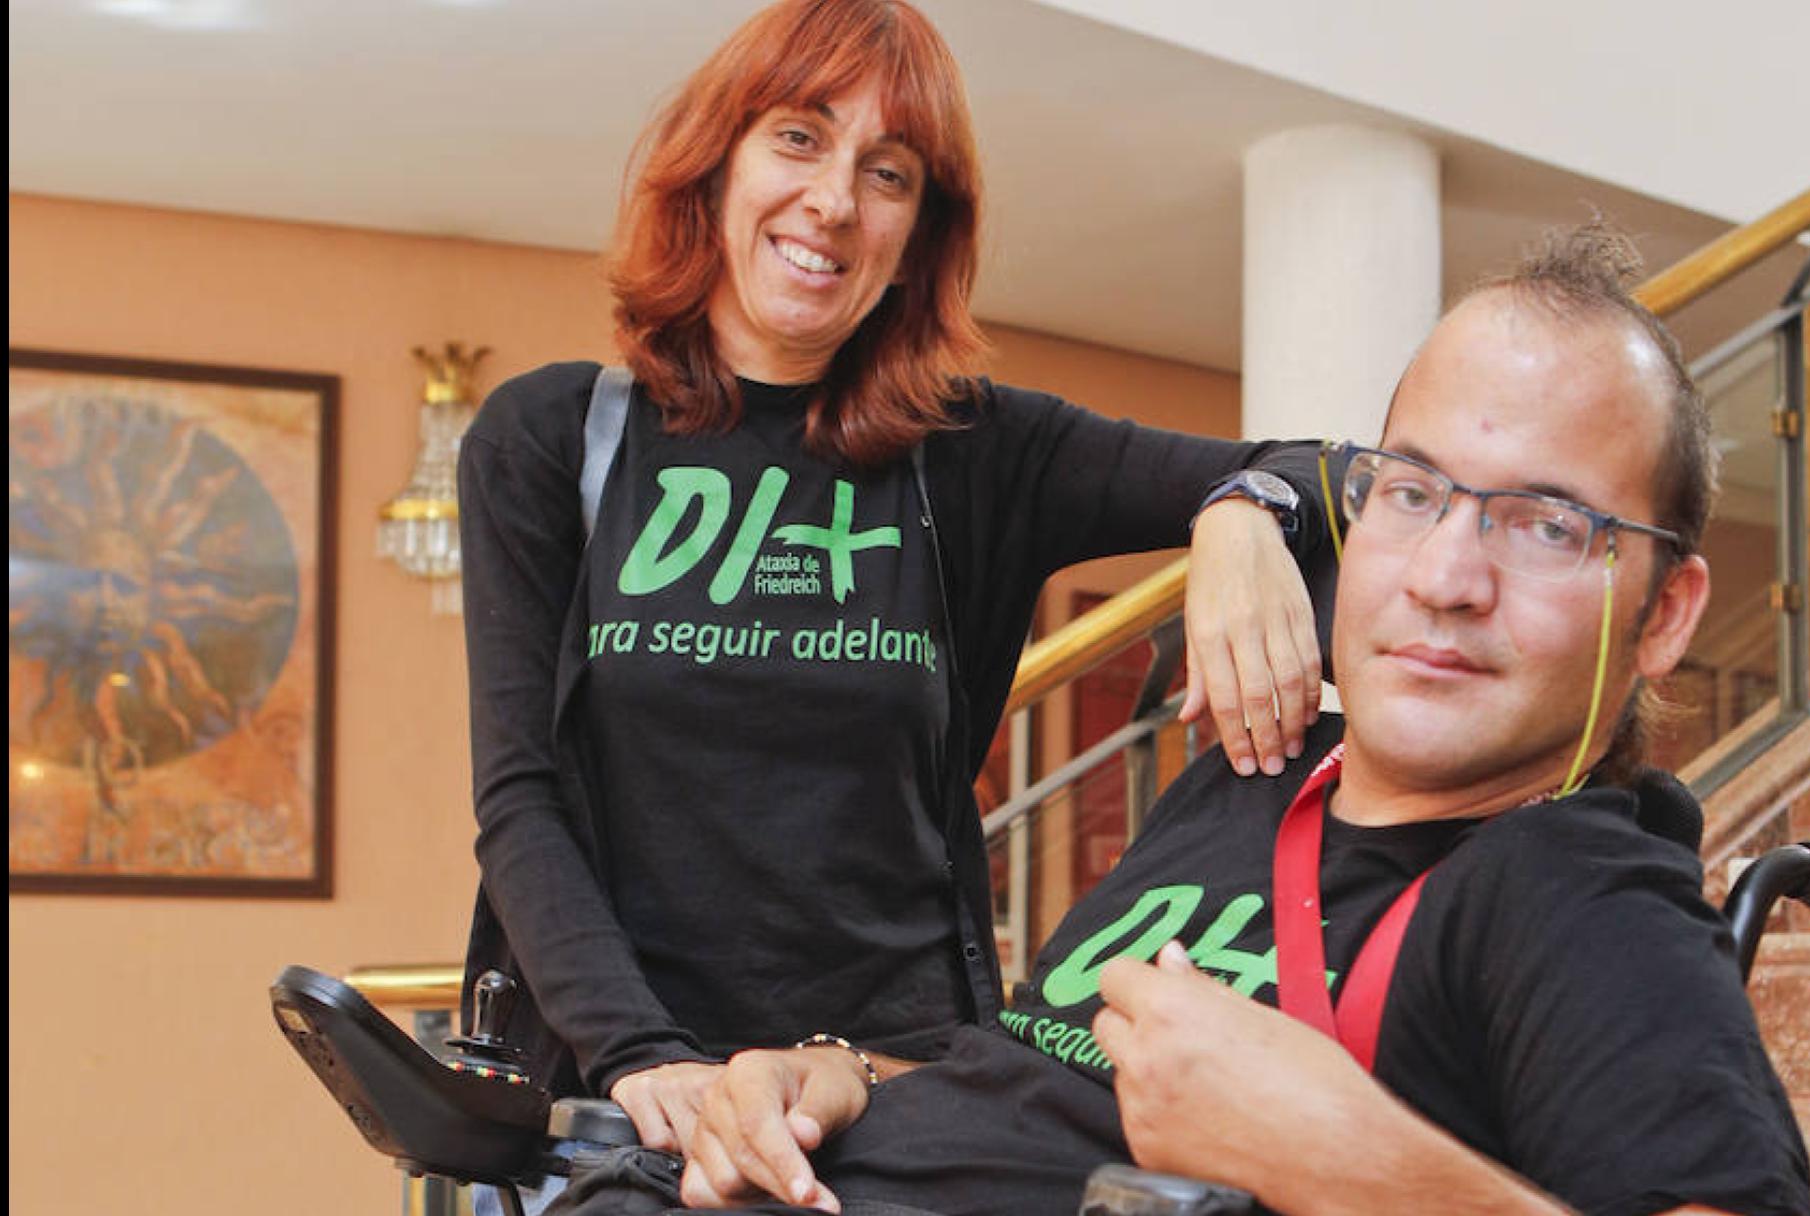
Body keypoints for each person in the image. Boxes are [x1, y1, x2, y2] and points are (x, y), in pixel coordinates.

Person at [568, 224, 1810, 1216]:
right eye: (1414, 490)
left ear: (1662, 615)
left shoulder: (1570, 887)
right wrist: (831, 1074)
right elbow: (1044, 1086)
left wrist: (1343, 1160)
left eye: (1547, 523)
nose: (1445, 574)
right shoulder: (1253, 773)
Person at [456, 0, 1333, 1190]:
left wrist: (1242, 511)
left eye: (889, 172)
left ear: (917, 232)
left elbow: (1356, 478)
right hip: (636, 1106)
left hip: (895, 1100)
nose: (834, 201)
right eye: (800, 139)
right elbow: (522, 797)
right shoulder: (552, 438)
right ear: (716, 163)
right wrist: (640, 1057)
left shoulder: (973, 452)